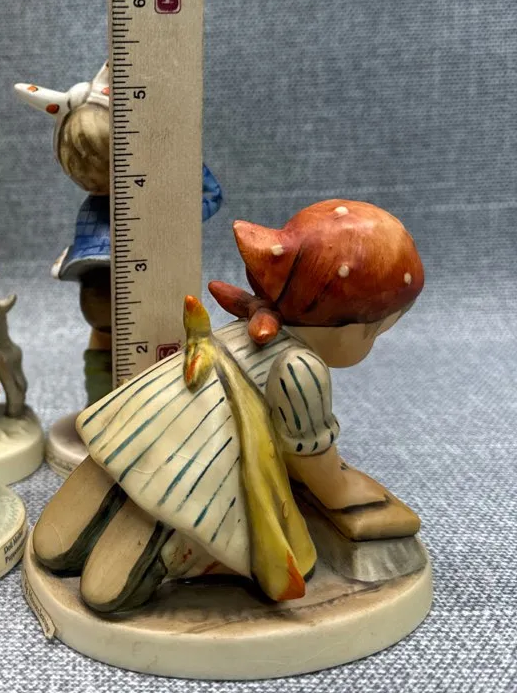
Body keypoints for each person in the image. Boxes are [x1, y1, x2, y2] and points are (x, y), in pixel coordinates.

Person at [32, 199, 425, 613]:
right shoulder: (302, 367)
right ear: (351, 329)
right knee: (164, 530)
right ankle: (168, 552)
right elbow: (313, 462)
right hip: (198, 463)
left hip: (147, 419)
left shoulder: (245, 327)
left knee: (106, 485)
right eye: (376, 332)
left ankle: (86, 536)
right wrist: (346, 489)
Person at [14, 62, 224, 405]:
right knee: (124, 342)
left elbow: (209, 198)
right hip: (113, 287)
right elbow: (211, 197)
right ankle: (111, 406)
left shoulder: (121, 205)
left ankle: (112, 405)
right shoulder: (130, 207)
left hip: (118, 288)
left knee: (127, 342)